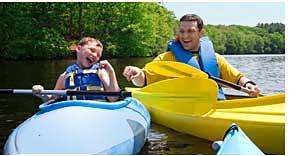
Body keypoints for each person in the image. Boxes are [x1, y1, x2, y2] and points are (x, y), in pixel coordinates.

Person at [123, 14, 260, 99]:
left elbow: (238, 78)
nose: (185, 36)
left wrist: (249, 85)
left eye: (190, 31)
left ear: (201, 33)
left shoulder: (216, 58)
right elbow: (144, 80)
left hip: (214, 105)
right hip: (184, 108)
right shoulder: (167, 58)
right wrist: (137, 74)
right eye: (182, 31)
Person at [32, 37, 120, 102]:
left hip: (96, 110)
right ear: (78, 48)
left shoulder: (101, 72)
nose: (95, 56)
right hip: (73, 112)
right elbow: (52, 99)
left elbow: (114, 98)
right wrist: (42, 94)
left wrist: (111, 72)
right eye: (92, 50)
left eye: (98, 55)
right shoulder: (64, 76)